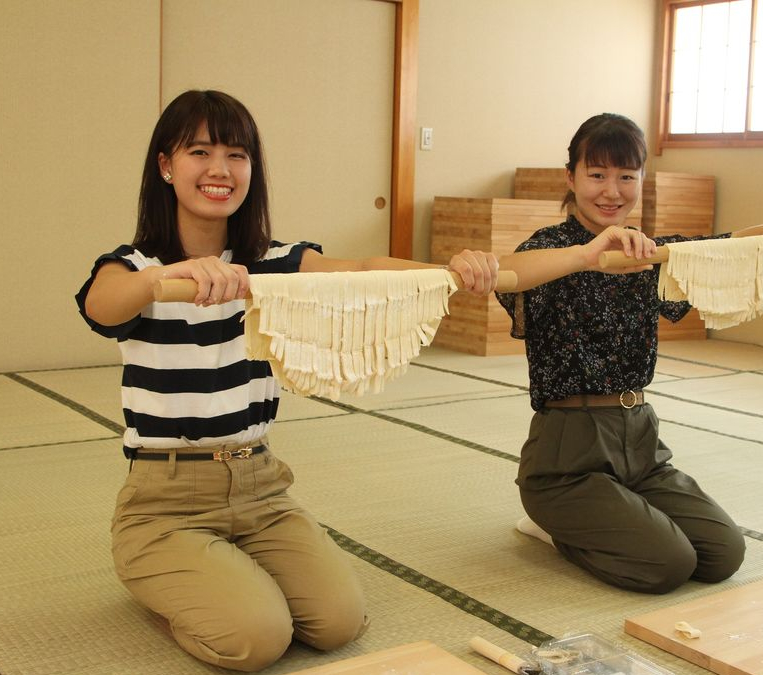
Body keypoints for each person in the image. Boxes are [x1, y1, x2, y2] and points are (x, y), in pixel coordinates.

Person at [74, 89, 510, 672]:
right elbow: (102, 304)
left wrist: (449, 269)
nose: (219, 170)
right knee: (257, 640)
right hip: (166, 502)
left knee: (338, 623)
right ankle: (158, 574)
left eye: (237, 154)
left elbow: (360, 270)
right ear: (165, 166)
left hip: (261, 488)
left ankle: (219, 576)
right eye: (199, 152)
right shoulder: (137, 266)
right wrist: (169, 278)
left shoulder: (275, 262)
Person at [495, 113, 763, 594]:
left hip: (641, 444)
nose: (612, 191)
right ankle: (555, 526)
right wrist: (588, 253)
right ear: (571, 178)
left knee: (721, 554)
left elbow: (728, 247)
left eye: (626, 176)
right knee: (667, 565)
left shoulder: (649, 254)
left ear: (641, 179)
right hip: (567, 459)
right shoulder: (552, 248)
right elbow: (508, 271)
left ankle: (613, 512)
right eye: (597, 175)